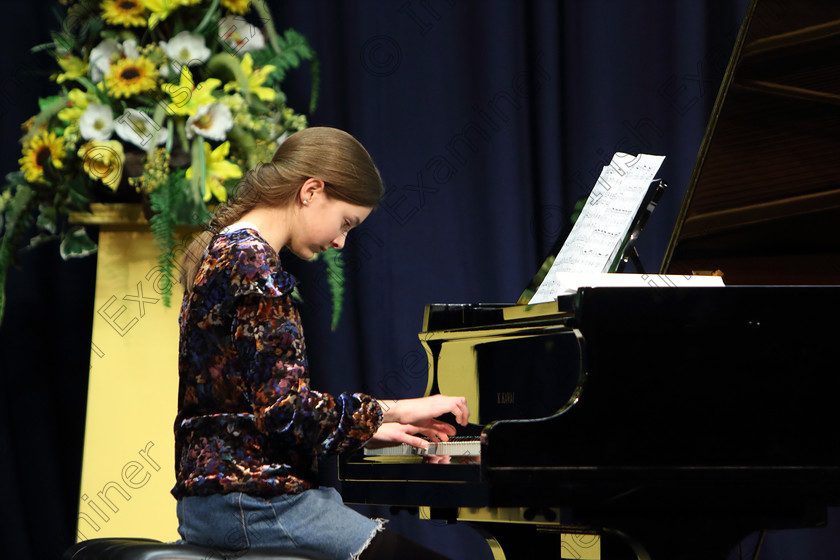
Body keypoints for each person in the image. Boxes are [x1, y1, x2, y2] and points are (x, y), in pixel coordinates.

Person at [173, 127, 470, 560]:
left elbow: (249, 411)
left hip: (219, 501)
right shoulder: (252, 262)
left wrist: (368, 431)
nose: (339, 241)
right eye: (346, 223)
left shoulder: (226, 250)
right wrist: (397, 408)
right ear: (311, 190)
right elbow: (286, 412)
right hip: (255, 503)